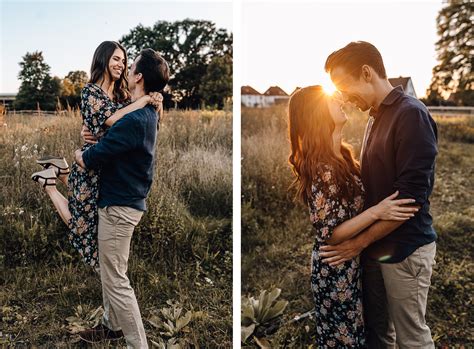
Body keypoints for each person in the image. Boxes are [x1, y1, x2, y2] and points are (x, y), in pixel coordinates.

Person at [321, 41, 438, 348]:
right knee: (378, 335)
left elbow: (410, 200)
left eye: (345, 86)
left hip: (405, 249)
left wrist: (356, 243)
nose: (344, 97)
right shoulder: (375, 115)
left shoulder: (411, 115)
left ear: (366, 72)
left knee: (411, 337)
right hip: (376, 249)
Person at [288, 85, 419, 348]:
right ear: (317, 114)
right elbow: (329, 233)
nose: (338, 99)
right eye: (329, 99)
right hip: (335, 267)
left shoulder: (343, 155)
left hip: (354, 261)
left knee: (361, 334)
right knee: (344, 340)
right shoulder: (321, 168)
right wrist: (377, 211)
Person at [31, 41, 162, 268]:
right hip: (92, 164)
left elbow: (137, 122)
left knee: (89, 219)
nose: (121, 64)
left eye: (124, 60)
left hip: (109, 170)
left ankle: (61, 170)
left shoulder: (122, 93)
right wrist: (143, 101)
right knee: (80, 224)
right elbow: (110, 120)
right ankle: (50, 184)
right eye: (115, 59)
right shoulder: (91, 91)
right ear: (103, 59)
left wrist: (156, 98)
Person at [73, 48, 169, 347]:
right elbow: (110, 133)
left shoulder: (135, 118)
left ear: (138, 76)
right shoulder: (144, 112)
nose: (125, 70)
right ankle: (111, 326)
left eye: (130, 67)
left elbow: (92, 159)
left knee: (116, 280)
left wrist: (80, 153)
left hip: (118, 207)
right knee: (111, 269)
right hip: (125, 202)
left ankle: (137, 344)